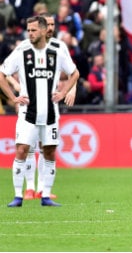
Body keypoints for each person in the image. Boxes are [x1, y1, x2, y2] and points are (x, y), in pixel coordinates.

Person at [0, 16, 79, 207]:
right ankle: (18, 195)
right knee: (22, 150)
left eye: (33, 30)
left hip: (50, 113)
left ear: (43, 31)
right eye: (28, 30)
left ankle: (46, 195)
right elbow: (2, 73)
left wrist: (64, 92)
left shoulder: (57, 51)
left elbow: (75, 73)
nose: (30, 33)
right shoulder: (22, 50)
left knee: (49, 152)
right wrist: (13, 97)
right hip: (28, 113)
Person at [20, 14, 77, 200]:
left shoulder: (60, 47)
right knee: (29, 147)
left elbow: (72, 71)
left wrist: (71, 89)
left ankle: (42, 189)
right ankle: (29, 188)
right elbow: (9, 71)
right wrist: (18, 91)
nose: (51, 28)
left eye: (53, 24)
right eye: (48, 24)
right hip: (29, 105)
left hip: (50, 105)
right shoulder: (25, 46)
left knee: (47, 148)